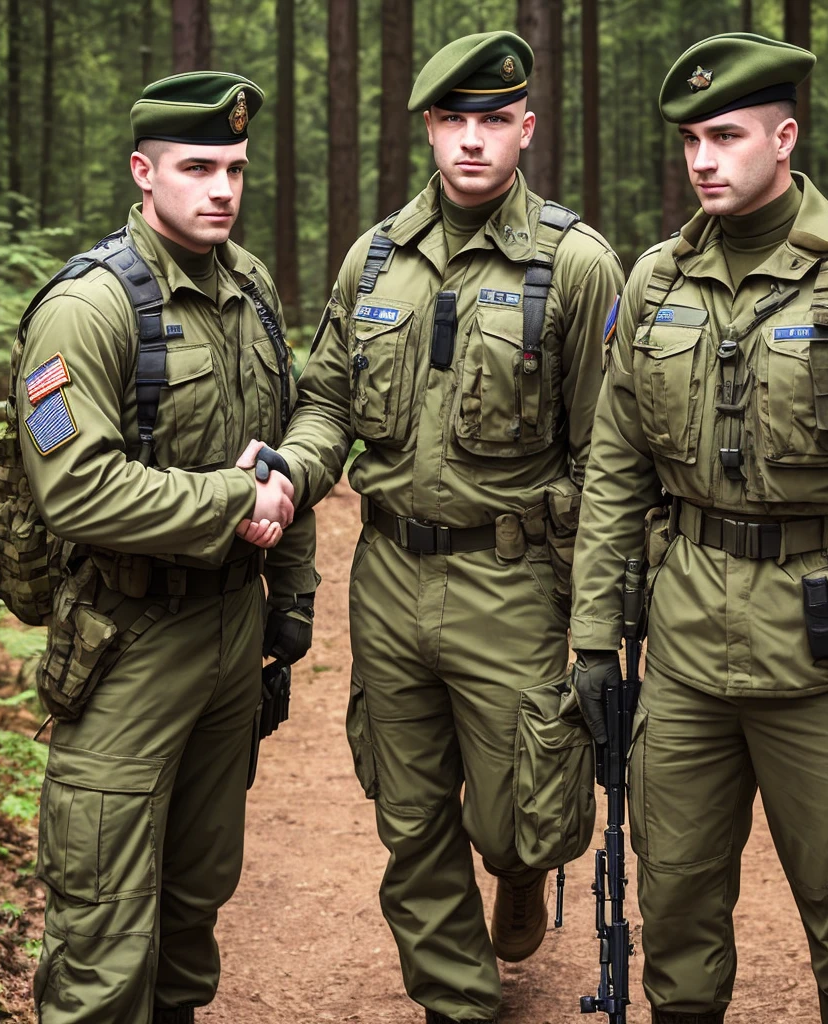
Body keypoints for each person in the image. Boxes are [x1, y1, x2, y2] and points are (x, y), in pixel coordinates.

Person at [571, 32, 828, 1024]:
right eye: (692, 139)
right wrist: (587, 640)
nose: (703, 158)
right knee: (677, 915)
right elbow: (614, 468)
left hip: (826, 661)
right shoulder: (652, 282)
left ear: (784, 138)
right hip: (689, 654)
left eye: (728, 135)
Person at [266, 31, 621, 1024]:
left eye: (492, 121)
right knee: (410, 811)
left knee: (525, 813)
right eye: (453, 120)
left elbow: (607, 455)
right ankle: (454, 1001)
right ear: (427, 127)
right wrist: (295, 470)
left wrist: (595, 620)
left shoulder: (576, 263)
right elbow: (328, 401)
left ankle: (515, 867)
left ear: (524, 128)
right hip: (384, 574)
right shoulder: (374, 259)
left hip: (509, 581)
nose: (472, 141)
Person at [14, 72, 314, 1024]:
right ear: (144, 173)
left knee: (193, 905)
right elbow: (77, 487)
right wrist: (234, 498)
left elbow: (281, 449)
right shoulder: (88, 308)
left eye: (234, 167)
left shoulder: (251, 288)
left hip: (230, 631)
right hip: (127, 640)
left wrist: (289, 611)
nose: (221, 188)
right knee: (102, 931)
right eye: (197, 167)